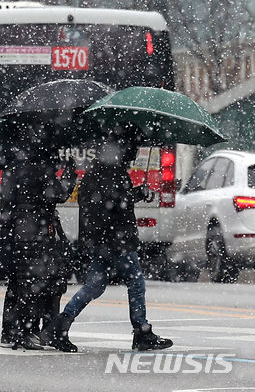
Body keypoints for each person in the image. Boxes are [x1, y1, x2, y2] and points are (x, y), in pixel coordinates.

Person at [41, 124, 173, 353]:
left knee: (94, 286)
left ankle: (60, 324)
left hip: (102, 240)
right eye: (132, 150)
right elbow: (113, 204)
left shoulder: (100, 170)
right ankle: (141, 331)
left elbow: (107, 202)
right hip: (115, 239)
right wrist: (136, 194)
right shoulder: (111, 172)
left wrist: (132, 194)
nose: (134, 156)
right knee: (136, 281)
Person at [0, 122, 77, 350]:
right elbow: (58, 194)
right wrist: (70, 173)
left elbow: (7, 205)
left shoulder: (13, 168)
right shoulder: (40, 169)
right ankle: (33, 332)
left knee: (19, 281)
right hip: (37, 231)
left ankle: (12, 331)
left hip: (17, 231)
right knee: (42, 282)